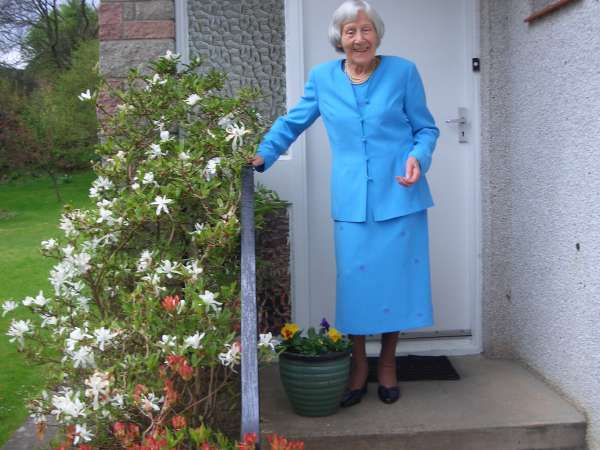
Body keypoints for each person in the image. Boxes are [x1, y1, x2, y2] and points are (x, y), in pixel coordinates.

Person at [250, 0, 439, 406]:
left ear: (378, 34)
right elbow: (292, 122)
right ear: (340, 38)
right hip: (352, 200)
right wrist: (264, 153)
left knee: (396, 283)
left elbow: (426, 129)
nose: (359, 38)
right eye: (350, 31)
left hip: (400, 195)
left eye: (366, 29)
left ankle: (387, 363)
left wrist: (417, 158)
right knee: (355, 285)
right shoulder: (323, 79)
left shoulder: (403, 72)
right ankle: (358, 364)